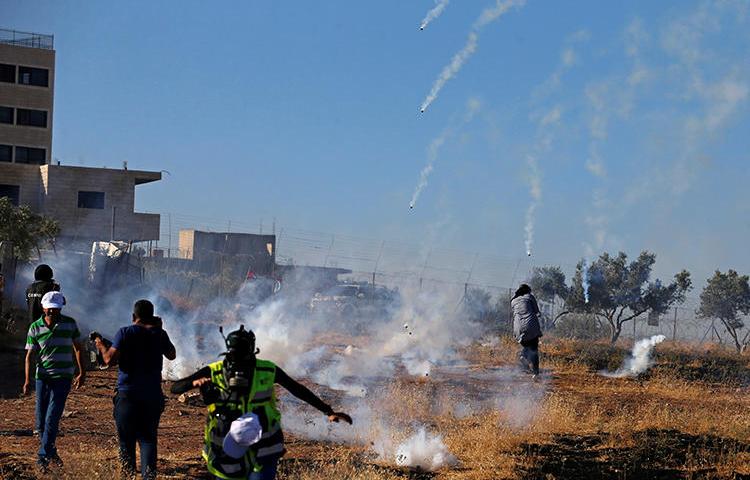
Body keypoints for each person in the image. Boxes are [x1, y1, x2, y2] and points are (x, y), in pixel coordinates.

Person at [170, 325, 352, 480]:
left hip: (263, 446)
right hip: (226, 446)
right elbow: (175, 388)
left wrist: (328, 411)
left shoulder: (267, 369)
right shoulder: (214, 371)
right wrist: (194, 383)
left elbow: (297, 389)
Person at [93, 299, 176, 480]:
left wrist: (100, 344)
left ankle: (128, 476)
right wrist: (160, 330)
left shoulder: (125, 332)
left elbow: (108, 360)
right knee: (148, 440)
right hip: (152, 395)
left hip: (127, 395)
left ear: (133, 317)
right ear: (152, 316)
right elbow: (172, 354)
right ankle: (148, 477)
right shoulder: (159, 334)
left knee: (126, 442)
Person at [23, 291, 85, 472]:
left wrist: (82, 372)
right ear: (44, 308)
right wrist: (27, 380)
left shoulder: (70, 324)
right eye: (50, 310)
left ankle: (42, 458)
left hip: (63, 377)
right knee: (40, 422)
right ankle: (51, 451)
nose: (52, 314)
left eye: (56, 311)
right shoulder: (35, 327)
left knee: (51, 417)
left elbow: (78, 348)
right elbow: (29, 356)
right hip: (42, 377)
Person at [511, 284, 542, 376]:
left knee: (527, 346)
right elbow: (536, 311)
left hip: (517, 328)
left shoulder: (513, 301)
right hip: (530, 326)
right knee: (534, 350)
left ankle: (523, 356)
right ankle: (535, 373)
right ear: (528, 291)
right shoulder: (529, 297)